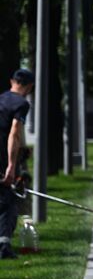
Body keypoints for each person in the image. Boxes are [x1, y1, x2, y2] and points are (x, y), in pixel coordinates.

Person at [0, 68, 35, 260]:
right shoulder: (21, 104)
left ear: (11, 81)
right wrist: (11, 166)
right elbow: (14, 132)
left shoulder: (1, 99)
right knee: (7, 202)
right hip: (2, 155)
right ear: (29, 87)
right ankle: (3, 247)